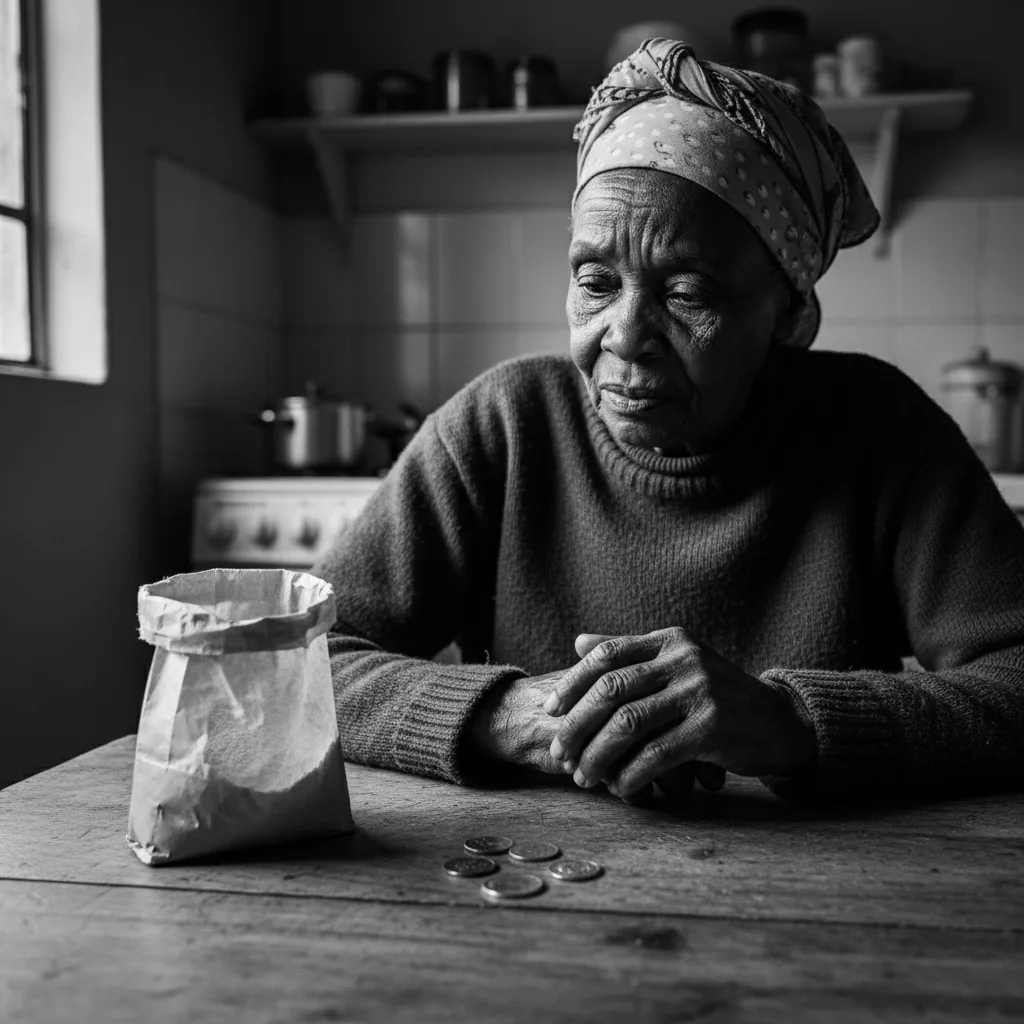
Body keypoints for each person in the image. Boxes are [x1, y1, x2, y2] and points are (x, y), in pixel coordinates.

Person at [314, 39, 1024, 804]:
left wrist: (793, 722)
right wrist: (517, 714)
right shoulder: (506, 424)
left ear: (791, 313)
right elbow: (302, 657)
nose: (622, 336)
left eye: (687, 293)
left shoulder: (880, 430)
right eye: (595, 282)